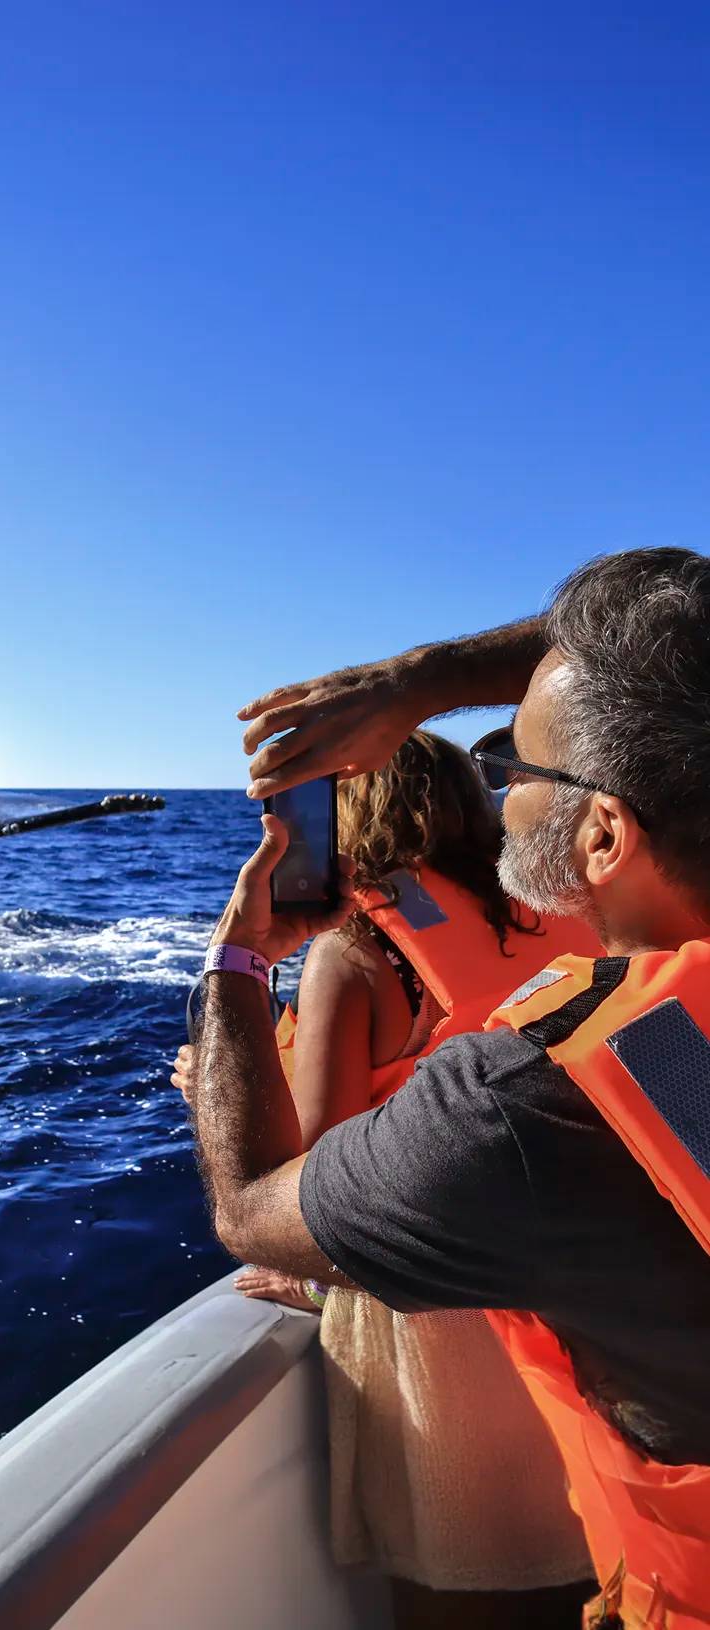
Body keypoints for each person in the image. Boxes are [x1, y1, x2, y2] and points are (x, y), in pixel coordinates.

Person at [190, 548, 710, 1630]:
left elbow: (252, 1207)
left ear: (605, 832)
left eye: (519, 770)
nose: (505, 795)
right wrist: (418, 684)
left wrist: (236, 962)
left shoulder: (532, 1100)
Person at [175, 733, 596, 1624]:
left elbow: (318, 1181)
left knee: (451, 1579)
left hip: (428, 1309)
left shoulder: (355, 955)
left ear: (346, 825)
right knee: (573, 1561)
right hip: (558, 1288)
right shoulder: (551, 920)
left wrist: (214, 1076)